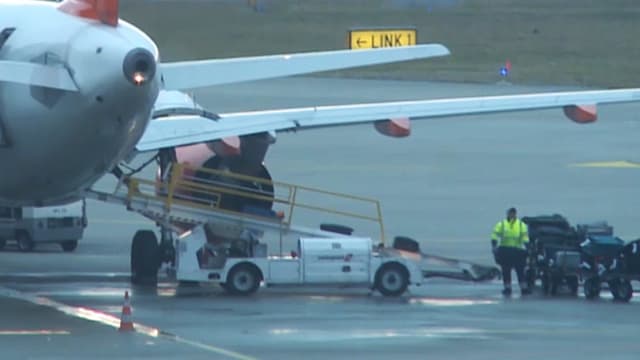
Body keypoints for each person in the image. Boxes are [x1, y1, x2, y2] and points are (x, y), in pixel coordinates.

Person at [491, 207, 531, 296]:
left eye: (513, 213)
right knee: (506, 271)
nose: (512, 215)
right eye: (510, 213)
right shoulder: (501, 224)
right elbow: (495, 235)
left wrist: (528, 247)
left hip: (517, 251)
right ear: (508, 214)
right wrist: (494, 245)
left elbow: (525, 237)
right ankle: (507, 288)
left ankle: (523, 288)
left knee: (520, 271)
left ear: (515, 214)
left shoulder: (521, 225)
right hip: (505, 250)